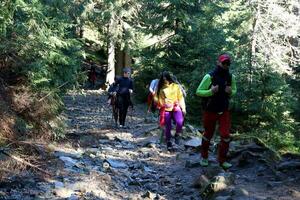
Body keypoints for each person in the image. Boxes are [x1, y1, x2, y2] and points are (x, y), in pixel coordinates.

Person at [196, 53, 237, 169]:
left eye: (228, 63)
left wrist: (231, 92)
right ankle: (204, 157)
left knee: (225, 135)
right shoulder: (209, 76)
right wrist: (210, 91)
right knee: (208, 134)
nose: (226, 65)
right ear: (218, 62)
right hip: (210, 110)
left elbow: (234, 90)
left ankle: (222, 160)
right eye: (223, 62)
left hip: (224, 110)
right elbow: (198, 91)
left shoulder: (231, 77)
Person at [155, 71, 186, 150]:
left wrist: (183, 108)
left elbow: (181, 97)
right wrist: (163, 104)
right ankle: (168, 142)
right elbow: (158, 99)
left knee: (180, 122)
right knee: (168, 126)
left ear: (169, 78)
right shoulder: (161, 88)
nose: (165, 79)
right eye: (163, 78)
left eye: (166, 78)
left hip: (176, 107)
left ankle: (177, 134)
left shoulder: (175, 86)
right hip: (166, 109)